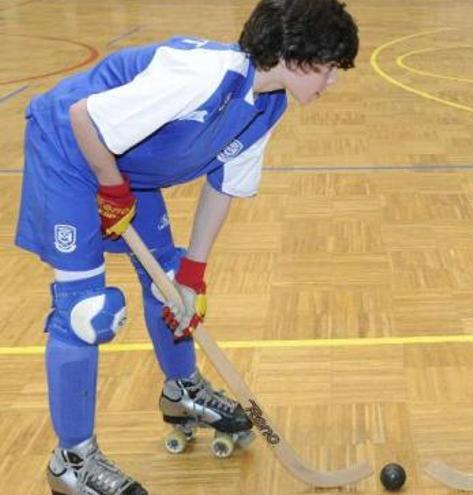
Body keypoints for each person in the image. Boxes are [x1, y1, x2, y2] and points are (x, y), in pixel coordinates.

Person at [15, 0, 358, 493]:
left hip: (126, 166)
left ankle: (183, 390)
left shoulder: (268, 103)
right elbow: (84, 117)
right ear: (293, 58)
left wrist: (193, 275)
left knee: (172, 287)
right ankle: (73, 460)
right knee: (86, 311)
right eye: (327, 69)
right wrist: (112, 191)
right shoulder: (201, 75)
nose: (332, 82)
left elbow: (224, 186)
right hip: (69, 151)